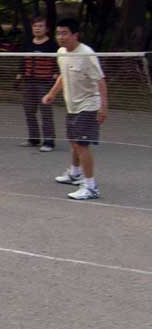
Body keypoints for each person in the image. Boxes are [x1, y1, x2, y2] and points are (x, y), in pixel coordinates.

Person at [42, 18, 108, 200]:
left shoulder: (86, 54)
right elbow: (63, 76)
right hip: (72, 105)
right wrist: (52, 93)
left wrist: (103, 107)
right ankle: (75, 173)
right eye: (58, 33)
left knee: (82, 145)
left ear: (75, 34)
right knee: (74, 142)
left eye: (65, 33)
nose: (60, 37)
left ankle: (91, 187)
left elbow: (100, 81)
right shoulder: (61, 52)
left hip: (89, 105)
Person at [16, 17, 58, 151]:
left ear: (46, 29)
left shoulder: (52, 45)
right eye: (35, 26)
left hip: (45, 82)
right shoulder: (28, 44)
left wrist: (55, 78)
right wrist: (19, 76)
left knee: (46, 112)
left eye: (40, 26)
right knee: (29, 111)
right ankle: (33, 139)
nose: (37, 28)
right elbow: (23, 61)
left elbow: (58, 63)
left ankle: (49, 141)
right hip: (29, 82)